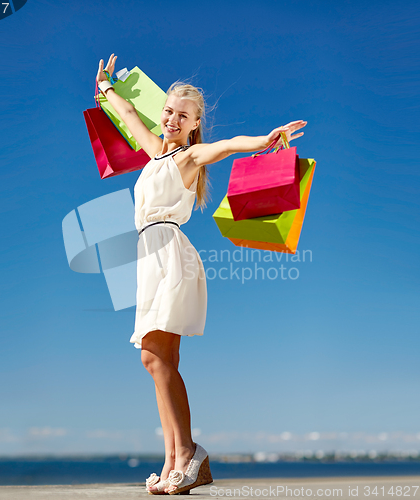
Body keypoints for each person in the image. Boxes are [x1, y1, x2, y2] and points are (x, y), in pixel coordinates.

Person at [96, 54, 307, 495]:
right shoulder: (155, 152)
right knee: (157, 360)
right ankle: (177, 457)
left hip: (170, 254)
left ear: (194, 124)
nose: (172, 119)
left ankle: (187, 455)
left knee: (155, 357)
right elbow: (131, 116)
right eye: (168, 111)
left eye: (182, 115)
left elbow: (227, 145)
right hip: (148, 256)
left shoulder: (191, 156)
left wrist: (266, 140)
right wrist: (107, 89)